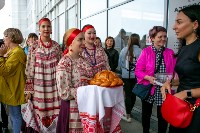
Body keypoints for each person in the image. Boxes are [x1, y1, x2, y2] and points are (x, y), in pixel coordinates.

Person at [160, 5, 200, 133]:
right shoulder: (184, 47)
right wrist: (169, 83)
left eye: (179, 22)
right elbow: (187, 78)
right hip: (180, 107)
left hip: (195, 110)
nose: (173, 27)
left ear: (195, 25)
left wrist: (185, 93)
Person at [135, 26, 176, 133]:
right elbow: (138, 70)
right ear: (152, 38)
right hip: (149, 88)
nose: (163, 39)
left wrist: (172, 81)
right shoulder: (146, 52)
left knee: (163, 116)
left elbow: (175, 71)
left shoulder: (170, 52)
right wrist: (148, 77)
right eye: (160, 36)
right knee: (146, 115)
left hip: (164, 90)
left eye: (165, 36)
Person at [23, 18, 62, 133]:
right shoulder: (33, 46)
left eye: (48, 26)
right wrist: (28, 91)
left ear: (51, 29)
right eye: (43, 26)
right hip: (39, 87)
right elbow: (29, 69)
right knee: (39, 113)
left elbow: (61, 67)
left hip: (55, 87)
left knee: (57, 112)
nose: (46, 29)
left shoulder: (56, 46)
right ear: (39, 29)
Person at [56, 28, 94, 133]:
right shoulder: (65, 62)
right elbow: (64, 92)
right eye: (80, 40)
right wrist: (85, 91)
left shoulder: (83, 60)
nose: (83, 42)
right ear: (70, 43)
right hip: (72, 110)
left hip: (86, 107)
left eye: (83, 39)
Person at [0, 28, 26, 133]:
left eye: (5, 36)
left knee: (16, 116)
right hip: (9, 89)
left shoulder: (17, 53)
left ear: (10, 38)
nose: (3, 39)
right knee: (12, 115)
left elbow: (4, 71)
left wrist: (1, 56)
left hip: (13, 90)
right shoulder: (11, 51)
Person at [118, 33, 142, 122]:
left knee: (127, 94)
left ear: (130, 40)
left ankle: (127, 114)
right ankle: (130, 111)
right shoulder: (141, 51)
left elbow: (120, 64)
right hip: (136, 76)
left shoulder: (124, 50)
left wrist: (125, 70)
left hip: (125, 76)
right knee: (133, 95)